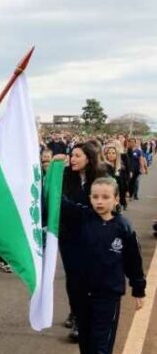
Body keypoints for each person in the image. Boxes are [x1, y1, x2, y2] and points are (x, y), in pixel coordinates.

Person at [58, 175, 146, 354]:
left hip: (107, 295)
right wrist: (51, 171)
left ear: (115, 200)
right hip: (81, 293)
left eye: (105, 197)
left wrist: (138, 289)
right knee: (86, 343)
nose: (99, 201)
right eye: (95, 196)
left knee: (100, 344)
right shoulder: (82, 217)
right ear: (89, 198)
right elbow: (59, 202)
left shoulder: (123, 227)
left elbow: (133, 261)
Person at [60, 142, 107, 342]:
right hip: (69, 235)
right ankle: (77, 315)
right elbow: (60, 202)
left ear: (88, 158)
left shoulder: (100, 178)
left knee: (88, 277)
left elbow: (102, 205)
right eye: (71, 155)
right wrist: (85, 210)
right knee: (73, 277)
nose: (73, 158)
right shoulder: (64, 176)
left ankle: (83, 315)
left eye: (77, 155)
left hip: (92, 235)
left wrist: (78, 209)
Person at [103, 142, 129, 211]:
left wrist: (126, 191)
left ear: (117, 154)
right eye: (109, 153)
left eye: (113, 153)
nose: (111, 155)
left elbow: (124, 180)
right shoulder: (103, 167)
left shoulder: (121, 167)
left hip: (119, 195)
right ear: (106, 155)